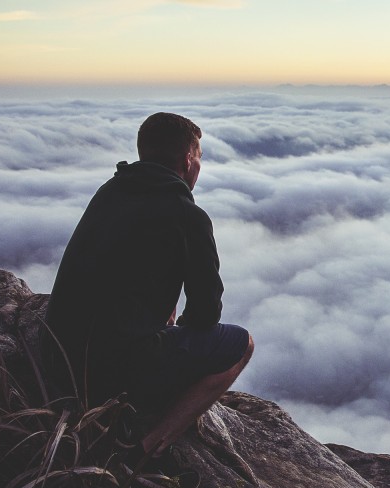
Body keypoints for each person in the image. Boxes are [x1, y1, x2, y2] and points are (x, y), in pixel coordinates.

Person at [44, 112, 254, 467]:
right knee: (240, 345)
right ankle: (145, 446)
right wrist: (176, 328)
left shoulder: (110, 191)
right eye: (199, 157)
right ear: (188, 161)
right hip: (111, 373)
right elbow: (206, 314)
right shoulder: (188, 216)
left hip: (57, 359)